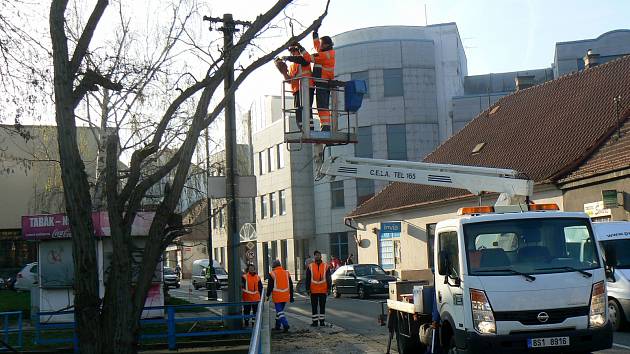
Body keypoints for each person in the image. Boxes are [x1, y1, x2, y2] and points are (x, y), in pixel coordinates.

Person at [276, 42, 314, 131]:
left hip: (307, 87)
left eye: (294, 50)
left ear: (298, 50)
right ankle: (302, 129)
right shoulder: (293, 65)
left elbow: (301, 60)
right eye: (291, 51)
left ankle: (310, 129)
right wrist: (284, 73)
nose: (292, 52)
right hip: (297, 90)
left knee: (307, 109)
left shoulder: (304, 59)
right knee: (298, 110)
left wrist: (288, 58)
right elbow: (290, 80)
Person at [309, 24, 336, 132]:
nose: (319, 45)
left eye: (321, 44)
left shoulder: (325, 55)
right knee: (322, 105)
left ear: (325, 45)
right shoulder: (325, 52)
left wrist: (301, 52)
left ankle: (325, 126)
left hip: (323, 81)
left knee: (322, 105)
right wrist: (315, 32)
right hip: (322, 81)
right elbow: (316, 45)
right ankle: (325, 125)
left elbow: (309, 58)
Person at [305, 250, 332, 327]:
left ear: (321, 256)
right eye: (316, 255)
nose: (317, 256)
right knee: (314, 307)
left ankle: (322, 322)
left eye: (319, 255)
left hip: (323, 290)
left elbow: (329, 278)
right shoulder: (310, 266)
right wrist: (307, 289)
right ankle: (315, 322)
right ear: (314, 257)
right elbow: (308, 278)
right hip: (313, 290)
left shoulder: (326, 266)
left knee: (322, 307)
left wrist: (329, 288)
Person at [266, 259, 294, 332]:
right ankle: (277, 326)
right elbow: (291, 285)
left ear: (273, 266)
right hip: (285, 295)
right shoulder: (286, 273)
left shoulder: (272, 274)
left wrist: (267, 295)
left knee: (280, 312)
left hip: (277, 295)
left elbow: (270, 286)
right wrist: (291, 296)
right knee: (279, 312)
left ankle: (285, 324)